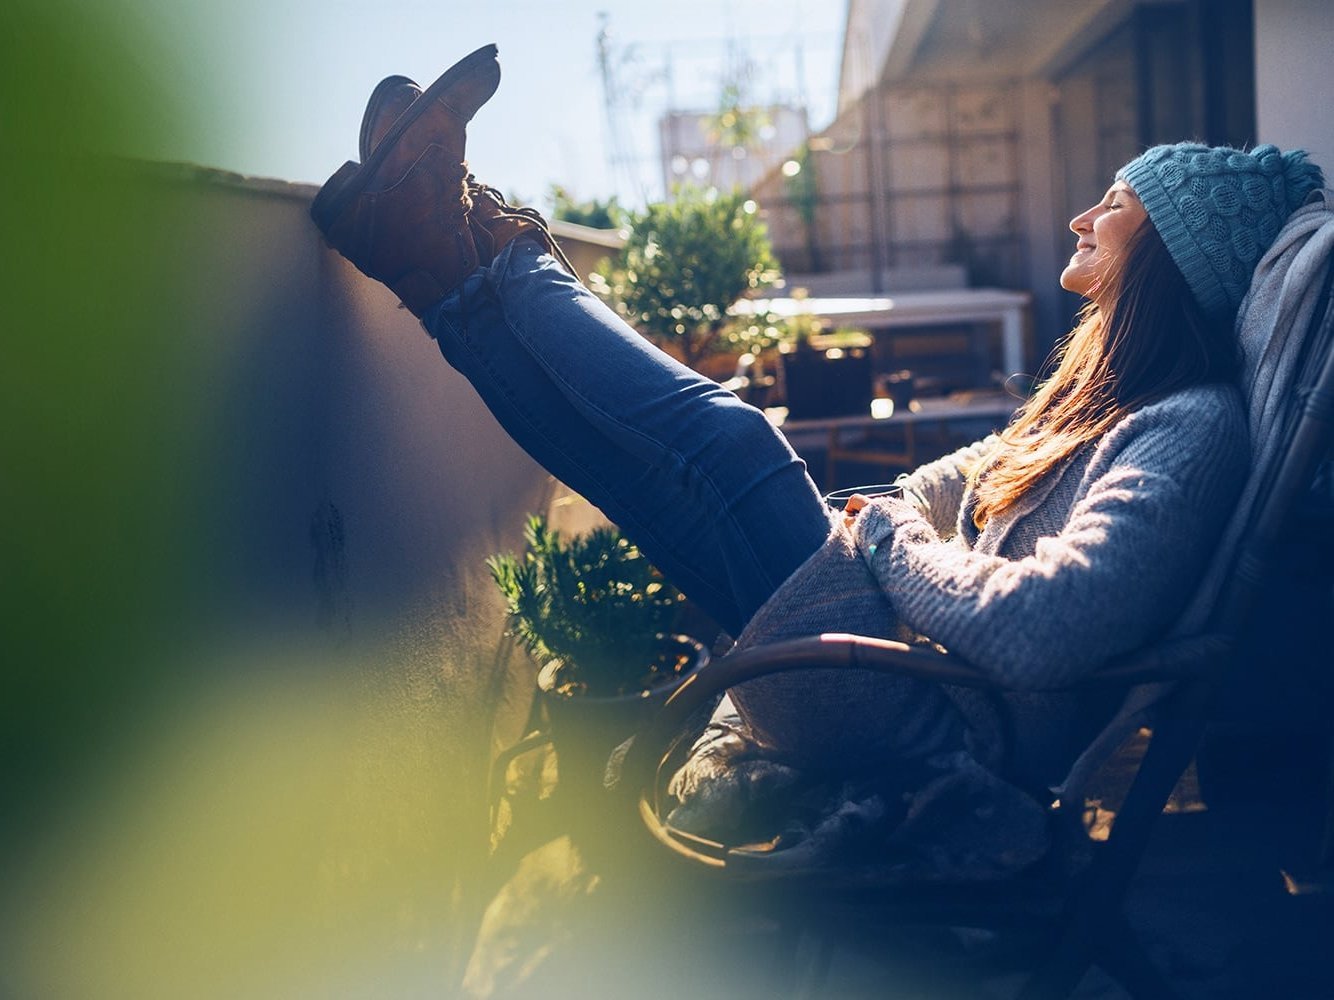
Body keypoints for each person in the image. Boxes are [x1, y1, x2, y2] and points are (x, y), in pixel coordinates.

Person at [311, 46, 1324, 817]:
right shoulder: (1104, 407)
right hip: (891, 673)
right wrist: (891, 512)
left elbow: (1044, 626)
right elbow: (954, 478)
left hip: (924, 718)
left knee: (740, 444)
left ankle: (488, 244)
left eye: (1115, 203)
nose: (1080, 217)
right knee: (643, 480)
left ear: (1172, 256)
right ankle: (433, 269)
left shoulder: (1191, 430)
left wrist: (885, 540)